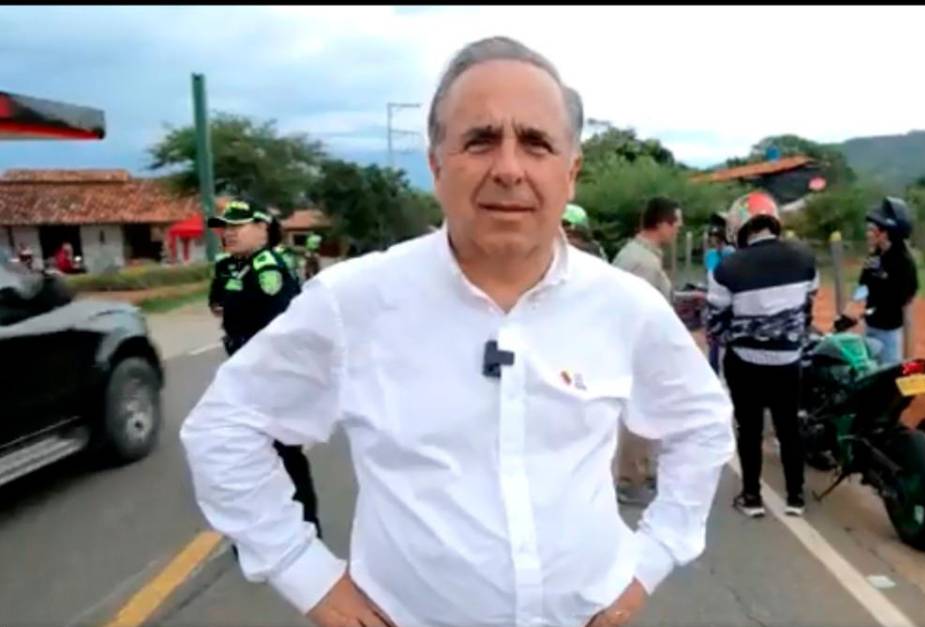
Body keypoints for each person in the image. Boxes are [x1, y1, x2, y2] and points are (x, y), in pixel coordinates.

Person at [181, 36, 734, 627]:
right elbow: (223, 429)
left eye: (536, 143)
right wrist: (306, 574)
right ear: (436, 166)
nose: (509, 169)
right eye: (480, 140)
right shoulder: (354, 302)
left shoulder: (626, 306)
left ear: (570, 173)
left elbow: (701, 423)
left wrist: (647, 563)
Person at [202, 198, 322, 545]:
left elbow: (283, 328)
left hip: (271, 373)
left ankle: (306, 531)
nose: (228, 233)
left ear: (261, 228)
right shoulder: (230, 266)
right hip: (241, 367)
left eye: (237, 226)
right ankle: (261, 534)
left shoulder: (269, 268)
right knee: (247, 454)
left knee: (284, 453)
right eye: (225, 227)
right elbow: (217, 305)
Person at [706, 190, 819, 518]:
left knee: (749, 429)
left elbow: (716, 323)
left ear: (740, 225)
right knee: (789, 428)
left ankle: (752, 497)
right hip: (788, 361)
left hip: (745, 363)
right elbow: (807, 307)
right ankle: (795, 497)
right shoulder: (805, 258)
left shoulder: (726, 268)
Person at [610, 197, 683, 507]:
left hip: (638, 348)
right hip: (638, 350)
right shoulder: (642, 262)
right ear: (663, 224)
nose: (678, 231)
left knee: (644, 414)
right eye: (676, 225)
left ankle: (640, 472)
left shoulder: (640, 255)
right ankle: (630, 479)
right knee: (638, 417)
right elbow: (638, 312)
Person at [851, 197, 918, 365]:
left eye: (872, 230)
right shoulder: (874, 256)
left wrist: (877, 303)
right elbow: (864, 284)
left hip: (889, 331)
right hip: (870, 326)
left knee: (888, 371)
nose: (868, 234)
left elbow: (906, 296)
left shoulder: (903, 262)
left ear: (885, 233)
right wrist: (853, 307)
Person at [702, 228, 734, 374]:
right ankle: (713, 372)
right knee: (713, 342)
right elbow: (709, 278)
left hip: (728, 304)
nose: (712, 240)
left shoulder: (730, 253)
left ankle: (726, 372)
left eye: (715, 237)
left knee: (727, 343)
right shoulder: (710, 255)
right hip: (713, 303)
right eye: (711, 237)